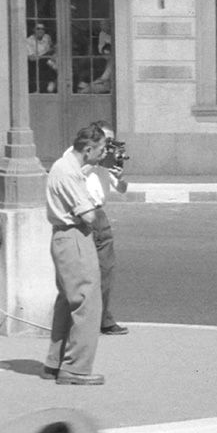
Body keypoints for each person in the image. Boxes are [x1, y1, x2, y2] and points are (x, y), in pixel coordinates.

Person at [44, 124, 107, 386]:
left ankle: (56, 362)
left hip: (64, 237)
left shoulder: (66, 166)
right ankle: (76, 368)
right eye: (101, 149)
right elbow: (88, 215)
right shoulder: (69, 173)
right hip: (74, 236)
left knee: (68, 301)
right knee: (86, 302)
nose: (104, 154)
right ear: (88, 149)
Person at [86, 122, 129, 336]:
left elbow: (121, 189)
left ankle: (103, 319)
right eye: (106, 141)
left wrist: (120, 177)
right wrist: (94, 161)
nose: (109, 147)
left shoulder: (106, 160)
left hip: (99, 215)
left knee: (105, 270)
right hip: (80, 214)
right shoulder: (77, 156)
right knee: (81, 273)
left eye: (111, 142)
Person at [26, 22, 56, 93]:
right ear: (33, 30)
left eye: (43, 29)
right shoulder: (28, 41)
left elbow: (52, 48)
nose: (41, 30)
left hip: (48, 62)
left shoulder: (47, 37)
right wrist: (46, 55)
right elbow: (32, 59)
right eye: (38, 28)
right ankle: (50, 85)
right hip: (35, 65)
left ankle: (52, 84)